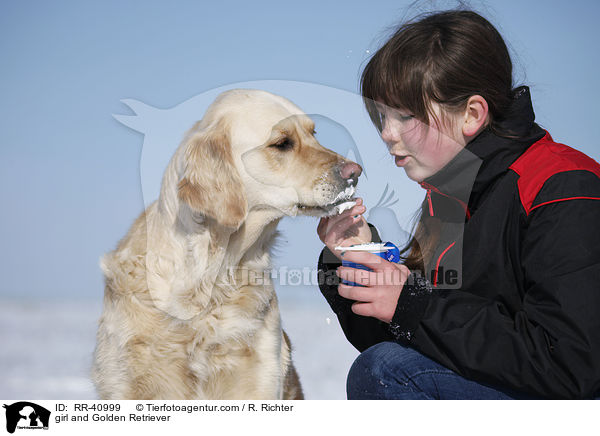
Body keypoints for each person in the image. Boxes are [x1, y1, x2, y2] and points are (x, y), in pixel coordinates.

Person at [316, 9, 600, 399]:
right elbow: (417, 342)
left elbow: (570, 366)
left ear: (471, 114)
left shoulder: (564, 187)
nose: (386, 133)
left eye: (405, 115)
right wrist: (359, 258)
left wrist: (414, 306)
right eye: (381, 116)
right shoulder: (449, 198)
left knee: (386, 371)